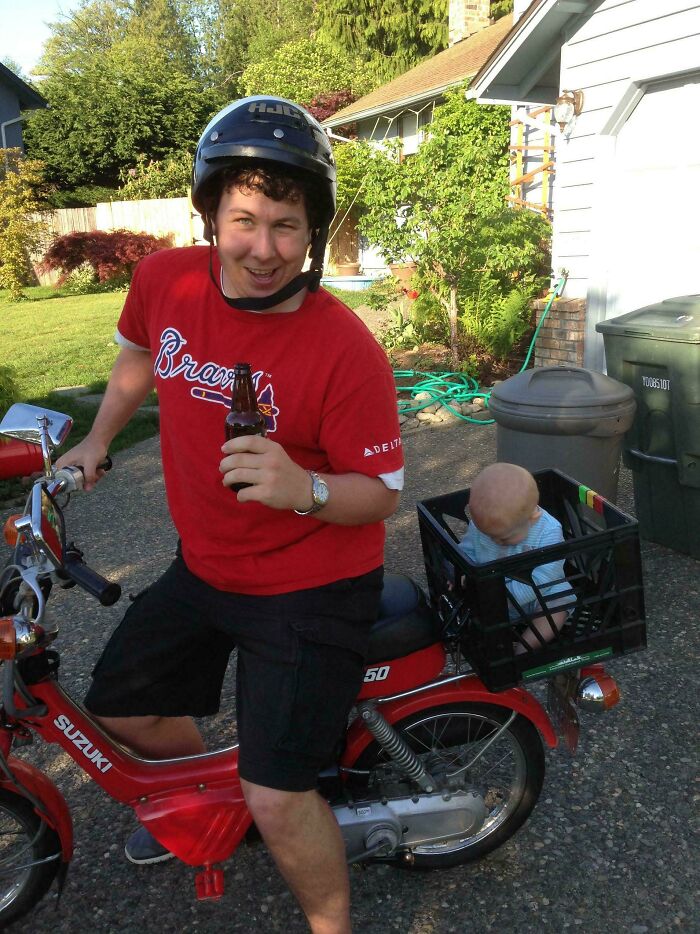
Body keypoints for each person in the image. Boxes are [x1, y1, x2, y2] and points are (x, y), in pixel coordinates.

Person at [56, 96, 404, 934]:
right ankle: (219, 801)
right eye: (244, 218)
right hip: (206, 563)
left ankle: (327, 917)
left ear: (312, 232)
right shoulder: (165, 279)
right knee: (120, 709)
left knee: (280, 793)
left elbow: (382, 492)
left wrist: (305, 488)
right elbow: (139, 354)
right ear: (211, 210)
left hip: (312, 587)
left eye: (287, 225)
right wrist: (98, 440)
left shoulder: (343, 347)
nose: (263, 248)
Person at [457, 463, 572, 654]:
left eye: (503, 538)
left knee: (559, 604)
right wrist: (461, 572)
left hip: (539, 595)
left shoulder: (549, 531)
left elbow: (544, 578)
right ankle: (492, 644)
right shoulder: (485, 525)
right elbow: (466, 551)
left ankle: (524, 648)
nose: (495, 541)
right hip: (492, 596)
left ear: (532, 518)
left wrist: (502, 598)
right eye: (489, 535)